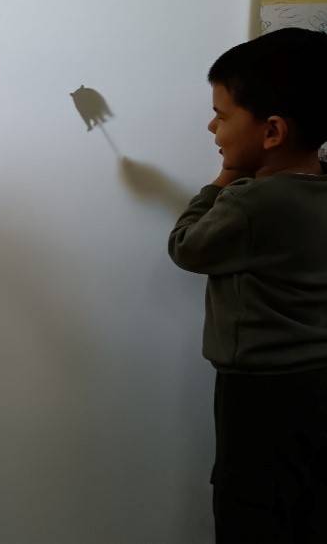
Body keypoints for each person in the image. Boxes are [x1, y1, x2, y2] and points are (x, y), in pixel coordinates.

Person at [168, 27, 327, 543]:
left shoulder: (249, 202)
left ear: (272, 132)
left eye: (222, 114)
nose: (212, 126)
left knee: (250, 510)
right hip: (316, 382)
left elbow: (186, 246)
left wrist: (221, 179)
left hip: (260, 396)